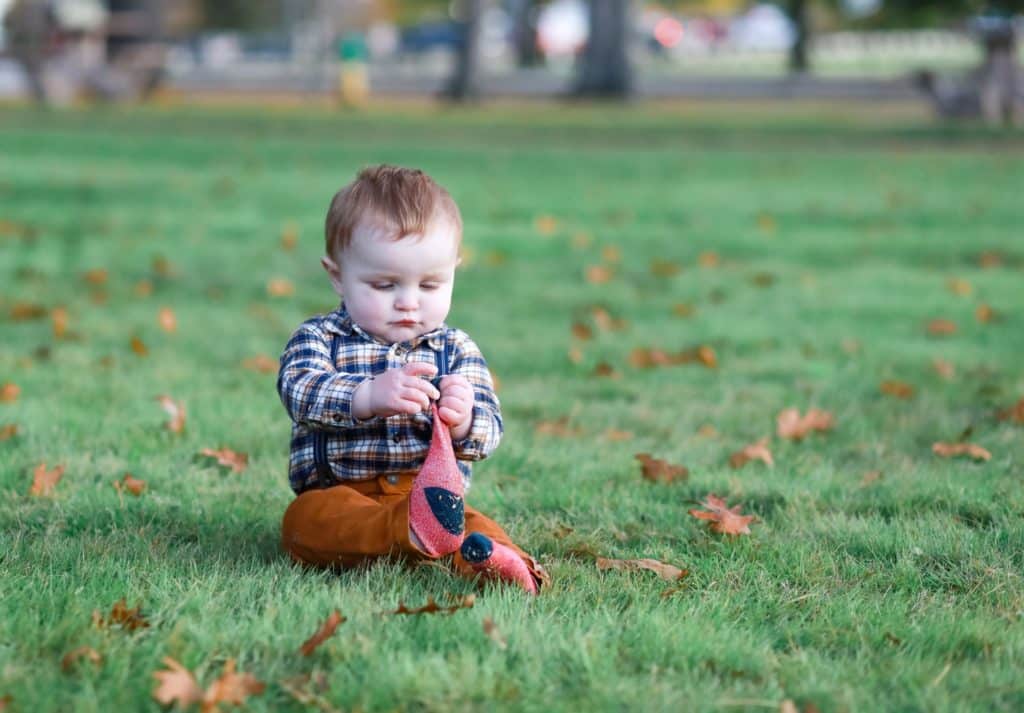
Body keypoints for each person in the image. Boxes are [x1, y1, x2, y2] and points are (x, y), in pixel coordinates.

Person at [277, 165, 545, 594]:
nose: (408, 303)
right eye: (384, 285)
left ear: (453, 272)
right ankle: (408, 532)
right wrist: (365, 395)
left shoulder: (455, 350)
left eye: (430, 285)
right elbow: (299, 392)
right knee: (304, 523)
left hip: (435, 496)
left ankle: (502, 562)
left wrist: (464, 421)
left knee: (474, 525)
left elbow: (489, 433)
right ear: (337, 276)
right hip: (344, 493)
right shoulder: (320, 338)